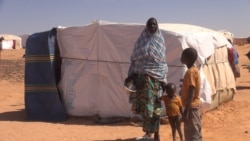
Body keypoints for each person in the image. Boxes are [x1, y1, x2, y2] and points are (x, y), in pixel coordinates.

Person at [125, 17, 168, 141]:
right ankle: (148, 133)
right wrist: (130, 76)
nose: (152, 26)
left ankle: (157, 134)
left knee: (156, 109)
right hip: (142, 82)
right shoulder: (141, 41)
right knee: (146, 110)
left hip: (155, 81)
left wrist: (163, 80)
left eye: (154, 24)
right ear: (146, 26)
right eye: (150, 24)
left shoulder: (160, 41)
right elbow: (135, 60)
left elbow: (162, 63)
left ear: (157, 26)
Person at [180, 47, 202, 141]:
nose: (181, 57)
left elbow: (191, 92)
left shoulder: (190, 72)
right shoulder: (194, 69)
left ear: (188, 58)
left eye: (183, 55)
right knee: (196, 132)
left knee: (192, 134)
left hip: (191, 107)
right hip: (194, 106)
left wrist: (185, 112)